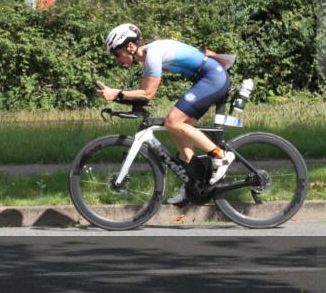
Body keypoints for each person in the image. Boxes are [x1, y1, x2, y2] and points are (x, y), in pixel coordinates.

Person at [98, 23, 233, 204]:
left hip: (212, 78)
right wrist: (119, 98)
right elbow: (143, 95)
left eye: (116, 53)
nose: (117, 59)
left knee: (172, 122)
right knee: (177, 127)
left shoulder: (152, 54)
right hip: (207, 78)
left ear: (130, 46)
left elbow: (148, 93)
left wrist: (116, 93)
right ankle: (193, 181)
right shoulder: (148, 58)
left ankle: (220, 156)